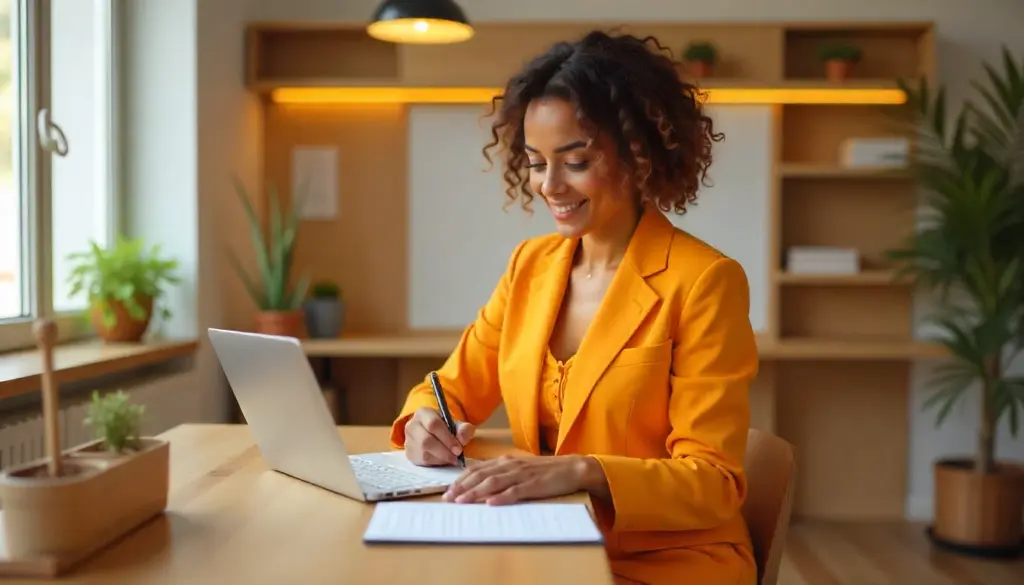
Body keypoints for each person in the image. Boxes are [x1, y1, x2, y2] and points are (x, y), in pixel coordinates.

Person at [389, 30, 760, 585]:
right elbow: (449, 387)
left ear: (638, 157)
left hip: (664, 562)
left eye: (576, 161)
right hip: (548, 543)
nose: (550, 185)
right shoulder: (529, 266)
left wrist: (580, 471)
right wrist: (424, 421)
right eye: (536, 163)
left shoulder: (705, 281)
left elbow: (713, 482)